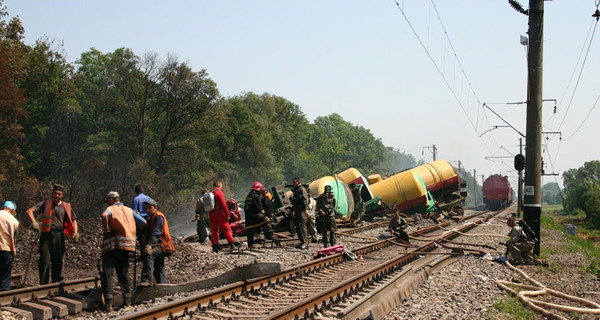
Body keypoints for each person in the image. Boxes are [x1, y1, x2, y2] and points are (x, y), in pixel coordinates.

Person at [100, 191, 146, 311]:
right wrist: (131, 229)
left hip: (113, 247)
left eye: (107, 202)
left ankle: (108, 304)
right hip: (127, 247)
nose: (107, 204)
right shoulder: (129, 210)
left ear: (111, 200)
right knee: (124, 273)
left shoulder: (111, 209)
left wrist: (106, 230)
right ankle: (127, 301)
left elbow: (104, 215)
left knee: (108, 273)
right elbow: (143, 221)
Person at [26, 184, 79, 284]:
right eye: (55, 193)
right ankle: (43, 284)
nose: (57, 196)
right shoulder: (45, 204)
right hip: (46, 235)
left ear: (62, 195)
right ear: (52, 193)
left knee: (58, 260)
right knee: (45, 260)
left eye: (59, 194)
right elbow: (29, 211)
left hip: (59, 235)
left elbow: (74, 220)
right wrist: (34, 222)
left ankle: (56, 282)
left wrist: (75, 233)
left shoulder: (66, 206)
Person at [140, 198, 174, 286]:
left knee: (149, 254)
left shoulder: (158, 216)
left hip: (164, 245)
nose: (147, 210)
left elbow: (156, 232)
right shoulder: (150, 219)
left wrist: (150, 245)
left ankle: (147, 280)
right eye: (146, 208)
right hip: (159, 245)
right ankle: (162, 284)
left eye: (149, 208)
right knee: (158, 265)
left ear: (155, 207)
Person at [208, 180, 238, 253]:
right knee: (227, 229)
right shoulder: (219, 192)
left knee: (214, 231)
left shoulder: (210, 193)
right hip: (219, 214)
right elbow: (223, 205)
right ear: (219, 185)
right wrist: (227, 214)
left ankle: (215, 248)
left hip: (211, 214)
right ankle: (232, 245)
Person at [244, 182, 273, 250]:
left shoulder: (249, 195)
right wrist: (265, 215)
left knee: (250, 229)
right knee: (266, 220)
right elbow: (260, 207)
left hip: (249, 217)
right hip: (254, 216)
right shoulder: (255, 196)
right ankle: (269, 238)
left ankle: (250, 245)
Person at [0, 201, 19, 291]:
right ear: (12, 210)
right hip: (6, 249)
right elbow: (14, 239)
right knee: (5, 274)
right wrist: (13, 251)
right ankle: (4, 292)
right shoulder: (14, 221)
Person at [290, 177, 309, 249]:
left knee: (302, 226)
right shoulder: (296, 190)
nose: (293, 184)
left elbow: (305, 200)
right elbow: (295, 202)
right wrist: (292, 210)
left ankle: (305, 243)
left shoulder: (301, 189)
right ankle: (302, 242)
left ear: (298, 182)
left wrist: (306, 209)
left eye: (294, 182)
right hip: (297, 210)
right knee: (298, 227)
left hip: (301, 210)